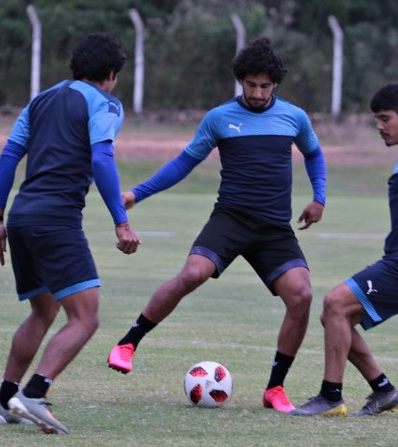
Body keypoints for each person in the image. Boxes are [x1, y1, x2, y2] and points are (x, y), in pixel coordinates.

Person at [106, 36, 327, 413]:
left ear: (275, 85)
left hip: (273, 228)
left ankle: (275, 388)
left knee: (302, 296)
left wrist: (319, 197)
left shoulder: (294, 117)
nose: (257, 93)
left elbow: (314, 153)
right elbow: (183, 163)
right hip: (231, 219)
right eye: (251, 85)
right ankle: (128, 343)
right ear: (240, 81)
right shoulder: (220, 118)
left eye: (265, 86)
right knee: (192, 273)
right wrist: (137, 194)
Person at [0, 32, 141, 435]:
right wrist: (121, 220)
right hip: (56, 220)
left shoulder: (40, 99)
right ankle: (34, 394)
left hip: (22, 216)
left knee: (44, 310)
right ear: (111, 74)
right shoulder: (105, 103)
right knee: (85, 318)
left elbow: (10, 154)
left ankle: (3, 402)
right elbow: (102, 156)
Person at [291, 81, 398, 417]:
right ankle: (383, 391)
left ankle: (330, 396)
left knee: (335, 302)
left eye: (385, 119)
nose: (379, 127)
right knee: (334, 316)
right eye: (377, 120)